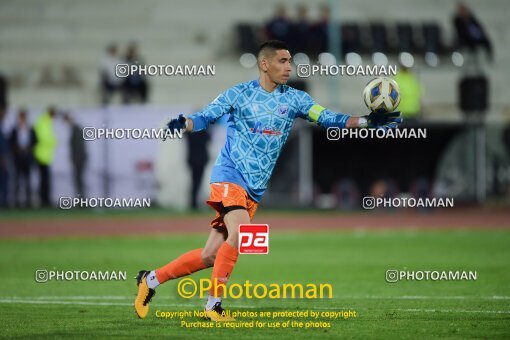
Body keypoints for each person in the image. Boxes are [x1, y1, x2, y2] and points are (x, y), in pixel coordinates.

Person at [134, 40, 402, 321]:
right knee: (241, 233)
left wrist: (366, 123)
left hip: (254, 188)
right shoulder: (238, 95)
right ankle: (212, 307)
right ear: (265, 64)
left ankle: (149, 280)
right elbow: (205, 117)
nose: (289, 67)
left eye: (290, 62)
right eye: (283, 61)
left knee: (210, 256)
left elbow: (326, 118)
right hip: (229, 175)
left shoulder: (295, 99)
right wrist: (184, 123)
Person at [9, 109, 36, 207]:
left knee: (28, 181)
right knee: (17, 181)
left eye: (24, 117)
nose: (23, 119)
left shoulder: (31, 129)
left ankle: (28, 202)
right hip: (17, 158)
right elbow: (11, 143)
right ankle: (16, 202)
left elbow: (35, 141)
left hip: (27, 158)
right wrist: (18, 149)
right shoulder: (14, 129)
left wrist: (28, 148)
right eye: (21, 117)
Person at [33, 107, 57, 207]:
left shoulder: (45, 122)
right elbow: (44, 138)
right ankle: (44, 201)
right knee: (44, 181)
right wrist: (53, 141)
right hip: (42, 156)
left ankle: (45, 200)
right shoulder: (44, 122)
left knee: (45, 181)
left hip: (45, 156)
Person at [63, 113, 87, 197]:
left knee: (79, 180)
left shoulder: (76, 130)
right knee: (78, 180)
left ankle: (82, 200)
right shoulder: (75, 130)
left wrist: (75, 159)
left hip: (79, 159)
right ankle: (81, 199)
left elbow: (78, 146)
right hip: (79, 158)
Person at [186, 129, 210, 210]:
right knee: (198, 182)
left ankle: (193, 202)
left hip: (193, 159)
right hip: (201, 159)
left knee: (194, 182)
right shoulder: (204, 131)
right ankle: (194, 203)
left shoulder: (190, 132)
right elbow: (209, 139)